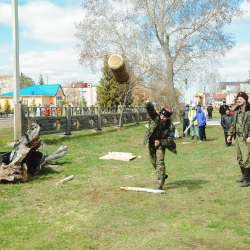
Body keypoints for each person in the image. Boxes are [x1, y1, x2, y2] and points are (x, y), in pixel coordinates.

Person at [143, 97, 177, 190]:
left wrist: (160, 142)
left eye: (165, 117)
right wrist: (148, 103)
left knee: (160, 163)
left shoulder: (170, 127)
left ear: (168, 117)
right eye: (162, 115)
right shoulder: (155, 118)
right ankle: (162, 174)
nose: (162, 118)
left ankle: (159, 184)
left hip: (161, 145)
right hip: (151, 143)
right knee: (153, 162)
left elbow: (170, 139)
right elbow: (151, 111)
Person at [227, 92, 250, 187]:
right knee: (239, 158)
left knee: (246, 159)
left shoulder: (249, 111)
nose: (239, 100)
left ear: (245, 100)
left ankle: (247, 179)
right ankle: (244, 176)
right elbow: (234, 125)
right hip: (238, 138)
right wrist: (230, 135)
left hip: (246, 138)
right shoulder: (236, 111)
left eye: (241, 99)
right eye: (238, 99)